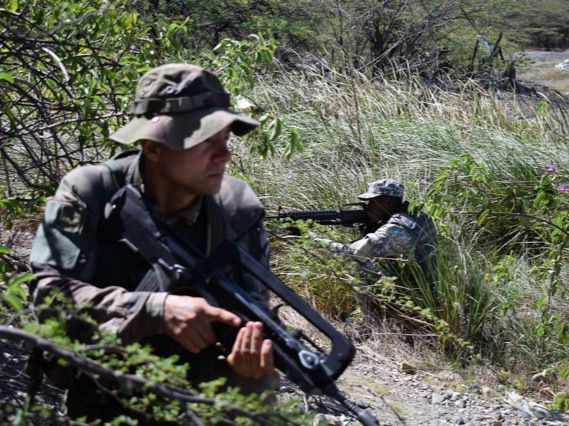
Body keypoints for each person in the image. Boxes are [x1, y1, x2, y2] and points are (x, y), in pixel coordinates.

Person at [28, 64, 277, 423]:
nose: (224, 155)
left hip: (205, 399)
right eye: (206, 141)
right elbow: (49, 294)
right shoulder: (92, 191)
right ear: (153, 147)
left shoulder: (238, 206)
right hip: (110, 395)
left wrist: (253, 349)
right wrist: (154, 310)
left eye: (225, 139)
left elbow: (255, 302)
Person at [317, 178, 437, 288]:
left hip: (420, 292)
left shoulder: (396, 229)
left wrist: (313, 239)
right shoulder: (414, 215)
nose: (368, 207)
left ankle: (370, 311)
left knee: (359, 266)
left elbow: (353, 253)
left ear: (389, 202)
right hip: (420, 282)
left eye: (373, 202)